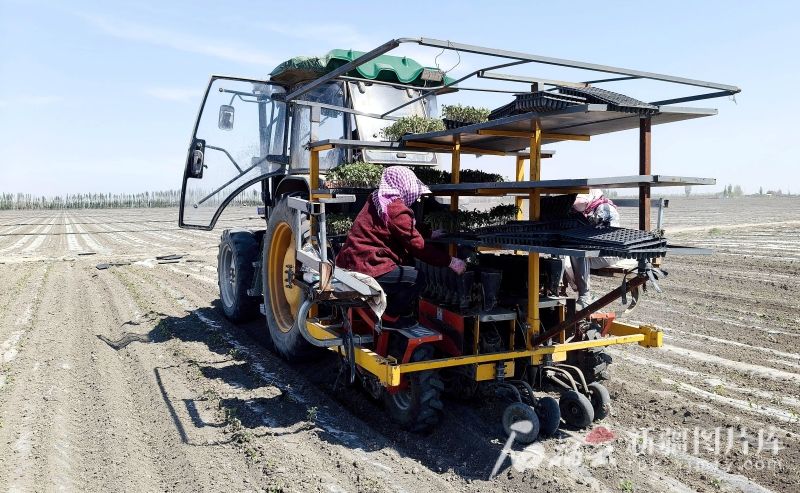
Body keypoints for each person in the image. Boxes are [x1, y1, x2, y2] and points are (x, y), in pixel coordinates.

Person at [336, 166, 466, 327]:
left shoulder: (379, 198)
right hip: (368, 266)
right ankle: (390, 317)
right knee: (416, 279)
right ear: (405, 184)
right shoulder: (395, 208)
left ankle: (387, 309)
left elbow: (403, 229)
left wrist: (429, 233)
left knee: (406, 267)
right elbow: (418, 247)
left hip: (352, 261)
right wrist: (450, 262)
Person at [563, 189, 636, 309]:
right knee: (566, 254)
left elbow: (594, 236)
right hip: (599, 251)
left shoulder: (604, 209)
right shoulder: (590, 210)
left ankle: (584, 297)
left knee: (580, 254)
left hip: (611, 252)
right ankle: (559, 290)